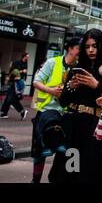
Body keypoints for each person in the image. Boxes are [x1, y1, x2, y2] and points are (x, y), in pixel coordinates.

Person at [49, 29, 102, 183]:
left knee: (89, 171)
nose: (90, 50)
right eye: (87, 46)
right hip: (73, 126)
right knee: (69, 170)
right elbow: (63, 102)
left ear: (101, 46)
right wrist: (71, 87)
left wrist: (96, 85)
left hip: (94, 127)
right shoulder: (77, 69)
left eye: (94, 46)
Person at [30, 38, 79, 183]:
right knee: (40, 151)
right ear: (69, 48)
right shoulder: (53, 62)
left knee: (69, 151)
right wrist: (52, 91)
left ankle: (64, 178)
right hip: (47, 112)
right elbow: (36, 81)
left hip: (67, 115)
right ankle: (35, 179)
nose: (82, 51)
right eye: (79, 48)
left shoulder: (79, 68)